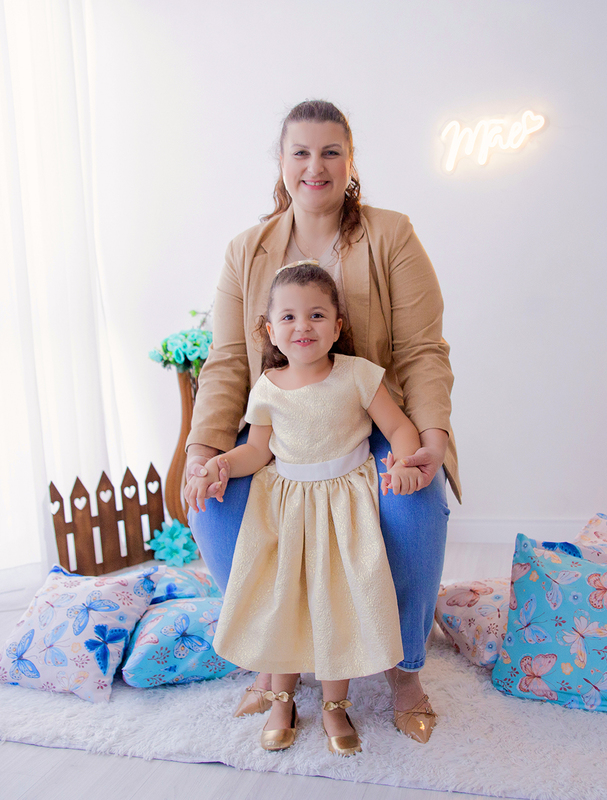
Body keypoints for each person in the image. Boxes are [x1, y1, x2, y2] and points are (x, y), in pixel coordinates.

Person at [186, 99, 460, 745]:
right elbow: (227, 360)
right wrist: (203, 453)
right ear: (281, 163)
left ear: (351, 161)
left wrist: (428, 444)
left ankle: (404, 670)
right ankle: (273, 654)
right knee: (214, 512)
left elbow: (422, 350)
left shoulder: (392, 235)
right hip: (281, 427)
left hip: (373, 419)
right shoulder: (246, 250)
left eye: (331, 152)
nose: (316, 166)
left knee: (415, 513)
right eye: (301, 152)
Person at [187, 263, 423, 755]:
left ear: (337, 326)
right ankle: (282, 702)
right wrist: (221, 463)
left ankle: (336, 706)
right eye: (289, 317)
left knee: (338, 605)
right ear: (271, 331)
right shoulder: (268, 388)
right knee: (284, 604)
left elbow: (399, 427)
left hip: (344, 509)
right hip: (287, 511)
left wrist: (404, 461)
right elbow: (257, 451)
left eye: (317, 315)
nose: (303, 326)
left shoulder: (357, 375)